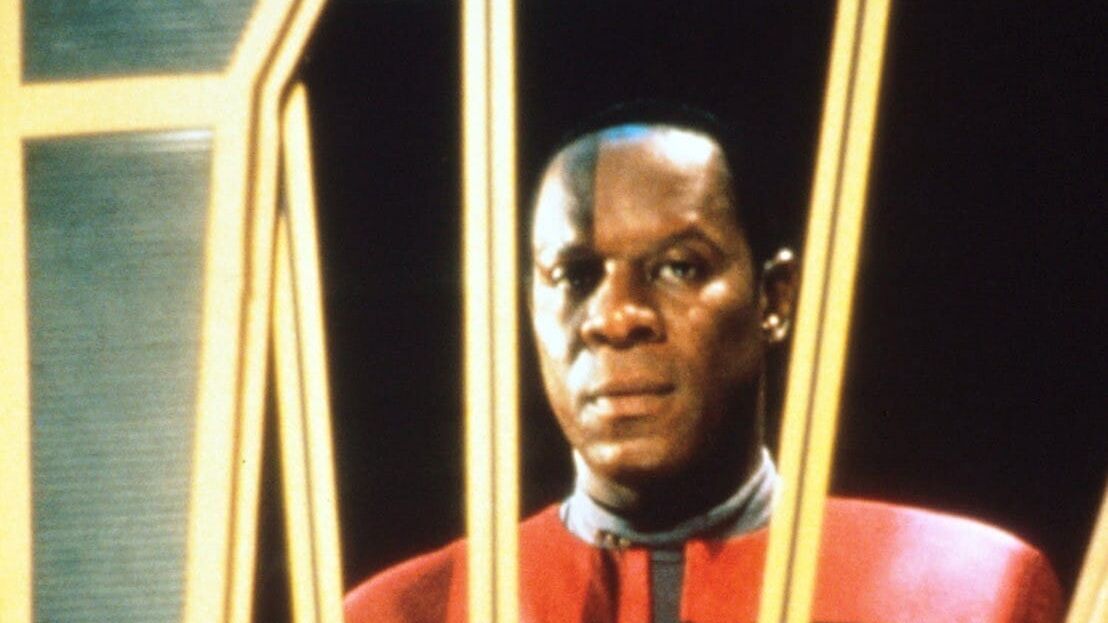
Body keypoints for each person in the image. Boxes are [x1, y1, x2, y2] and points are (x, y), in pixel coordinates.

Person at [344, 104, 1063, 623]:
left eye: (678, 268)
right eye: (575, 275)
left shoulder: (970, 593)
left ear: (774, 299)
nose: (616, 316)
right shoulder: (403, 612)